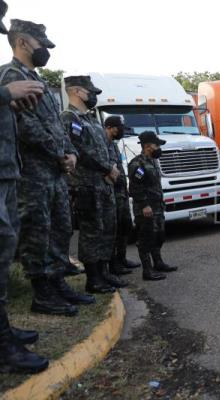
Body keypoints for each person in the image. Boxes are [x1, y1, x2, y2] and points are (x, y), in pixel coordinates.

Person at [0, 19, 92, 317]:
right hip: (33, 173)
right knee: (37, 231)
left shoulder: (36, 79)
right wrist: (59, 154)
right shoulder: (11, 77)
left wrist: (69, 152)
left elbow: (54, 125)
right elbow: (27, 126)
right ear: (23, 42)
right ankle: (41, 292)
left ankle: (56, 282)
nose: (46, 51)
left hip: (54, 171)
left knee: (60, 228)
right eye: (42, 45)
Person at [0, 2, 49, 374]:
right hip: (17, 171)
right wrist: (5, 95)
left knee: (6, 244)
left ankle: (3, 331)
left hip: (8, 169)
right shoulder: (8, 76)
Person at [61, 76, 127, 292]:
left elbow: (103, 148)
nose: (93, 96)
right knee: (91, 232)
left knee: (107, 229)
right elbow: (79, 151)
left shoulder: (90, 119)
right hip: (87, 186)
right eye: (91, 92)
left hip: (104, 184)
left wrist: (111, 169)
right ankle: (93, 279)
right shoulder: (69, 118)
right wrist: (107, 169)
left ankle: (105, 272)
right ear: (77, 91)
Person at [128, 131, 177, 281]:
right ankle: (147, 271)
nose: (159, 148)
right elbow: (134, 188)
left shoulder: (153, 162)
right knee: (146, 239)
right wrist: (144, 205)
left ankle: (158, 263)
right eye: (157, 145)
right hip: (146, 209)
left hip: (157, 206)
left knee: (159, 235)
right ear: (148, 146)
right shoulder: (138, 164)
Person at [104, 116, 140, 275]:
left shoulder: (114, 144)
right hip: (110, 193)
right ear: (110, 127)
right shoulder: (103, 144)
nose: (122, 130)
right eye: (119, 127)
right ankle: (113, 265)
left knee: (125, 226)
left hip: (121, 192)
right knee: (113, 229)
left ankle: (122, 258)